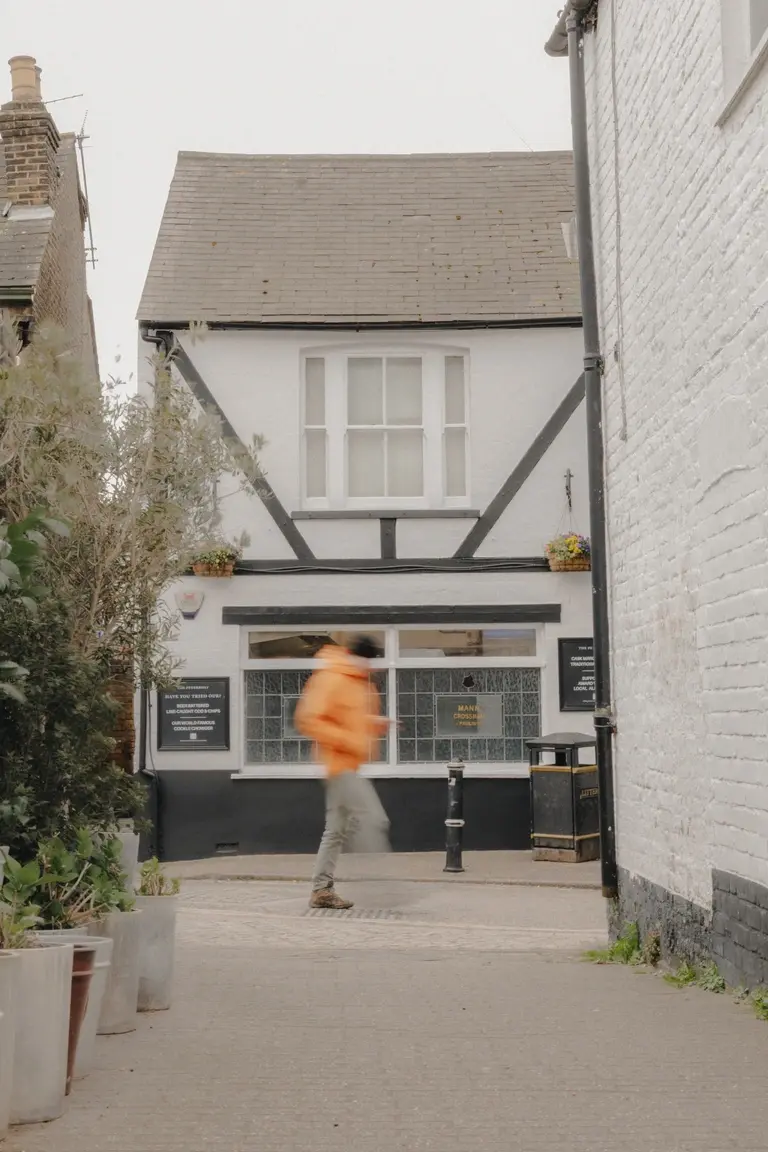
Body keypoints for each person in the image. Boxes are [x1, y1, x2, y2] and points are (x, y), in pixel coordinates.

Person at [295, 634, 392, 909]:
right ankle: (387, 886)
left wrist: (374, 723)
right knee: (373, 819)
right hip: (339, 766)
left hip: (350, 765)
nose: (370, 666)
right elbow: (308, 719)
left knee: (335, 831)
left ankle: (321, 890)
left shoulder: (359, 683)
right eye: (367, 660)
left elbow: (351, 719)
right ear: (355, 655)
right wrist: (348, 740)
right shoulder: (332, 678)